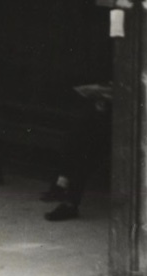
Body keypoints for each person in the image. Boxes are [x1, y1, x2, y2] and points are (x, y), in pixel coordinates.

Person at [43, 83, 113, 221]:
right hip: (91, 141)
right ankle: (62, 188)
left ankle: (67, 198)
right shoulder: (94, 110)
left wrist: (104, 106)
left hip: (110, 143)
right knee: (74, 144)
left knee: (80, 157)